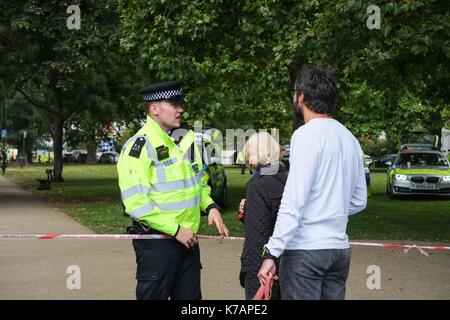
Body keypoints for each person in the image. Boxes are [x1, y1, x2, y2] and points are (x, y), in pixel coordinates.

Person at [257, 67, 367, 300]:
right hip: (338, 251)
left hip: (305, 251)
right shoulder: (350, 139)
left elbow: (293, 200)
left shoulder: (305, 135)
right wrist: (330, 209)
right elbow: (359, 200)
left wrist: (272, 252)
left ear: (302, 96)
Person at [117, 80, 229, 300]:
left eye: (180, 103)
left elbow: (198, 183)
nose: (181, 109)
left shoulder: (186, 139)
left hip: (188, 243)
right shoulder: (138, 147)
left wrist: (210, 206)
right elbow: (136, 202)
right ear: (155, 108)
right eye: (174, 103)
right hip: (157, 244)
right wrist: (176, 230)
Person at [239, 131, 287, 300]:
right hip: (289, 260)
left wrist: (250, 275)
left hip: (265, 265)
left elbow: (256, 237)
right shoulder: (289, 180)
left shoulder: (258, 185)